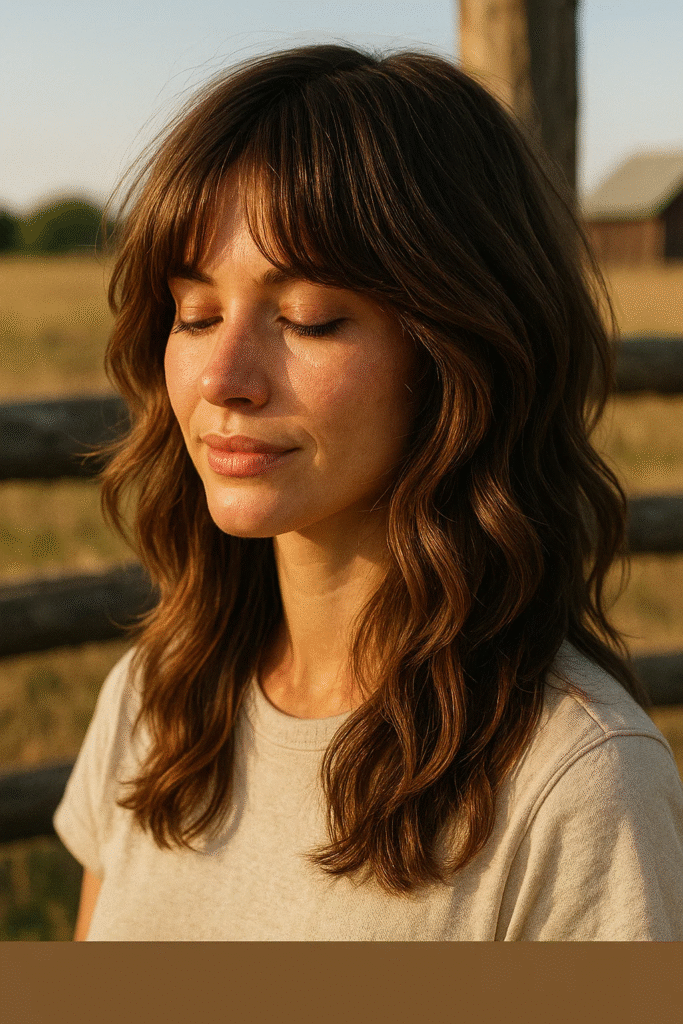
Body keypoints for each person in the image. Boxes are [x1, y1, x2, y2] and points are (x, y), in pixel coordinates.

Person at [54, 43, 683, 941]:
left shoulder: (574, 785)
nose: (221, 377)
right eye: (195, 315)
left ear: (455, 353)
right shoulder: (158, 701)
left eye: (307, 319)